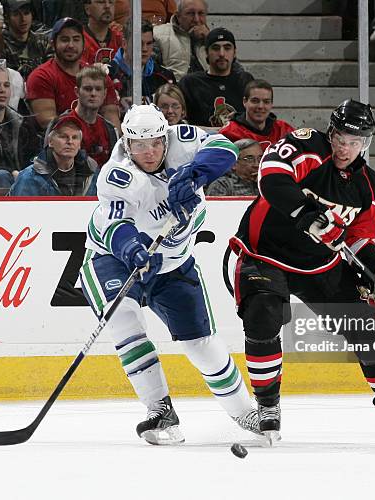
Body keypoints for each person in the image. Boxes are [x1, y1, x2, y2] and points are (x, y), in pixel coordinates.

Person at [228, 99, 375, 444]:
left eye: (354, 141)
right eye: (340, 138)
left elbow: (358, 241)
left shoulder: (369, 186)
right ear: (331, 132)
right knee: (263, 313)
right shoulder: (307, 145)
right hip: (265, 253)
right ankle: (268, 407)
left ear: (366, 143)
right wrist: (307, 215)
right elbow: (272, 180)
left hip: (320, 265)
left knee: (366, 328)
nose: (345, 148)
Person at [78, 104, 260, 444]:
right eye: (139, 145)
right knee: (125, 321)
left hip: (175, 261)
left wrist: (195, 174)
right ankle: (159, 409)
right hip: (114, 258)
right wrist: (132, 247)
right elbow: (116, 224)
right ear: (126, 143)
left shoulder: (184, 140)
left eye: (156, 142)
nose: (149, 152)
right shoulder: (116, 175)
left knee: (201, 344)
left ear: (166, 136)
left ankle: (244, 412)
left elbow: (226, 148)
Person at [26, 17, 121, 131]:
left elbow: (113, 122)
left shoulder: (98, 77)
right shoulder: (42, 76)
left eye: (76, 39)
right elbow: (48, 123)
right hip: (62, 144)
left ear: (84, 44)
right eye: (65, 39)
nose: (71, 45)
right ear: (52, 44)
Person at [179, 27, 254, 127]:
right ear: (206, 52)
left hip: (240, 140)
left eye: (227, 48)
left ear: (234, 52)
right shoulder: (190, 83)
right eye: (215, 48)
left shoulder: (245, 80)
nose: (222, 54)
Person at [10, 114, 98, 195]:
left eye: (75, 137)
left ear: (79, 144)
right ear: (50, 142)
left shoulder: (92, 173)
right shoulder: (30, 177)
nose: (70, 142)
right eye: (63, 136)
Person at [56, 64, 119, 167]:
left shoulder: (109, 129)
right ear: (77, 91)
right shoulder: (62, 124)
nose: (93, 94)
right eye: (88, 89)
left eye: (98, 89)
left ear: (105, 94)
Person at [111, 20, 176, 110]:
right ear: (124, 44)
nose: (144, 49)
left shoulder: (165, 77)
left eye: (149, 43)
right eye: (139, 43)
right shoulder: (108, 74)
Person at [219, 79, 294, 150]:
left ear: (271, 104)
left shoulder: (284, 129)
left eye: (266, 102)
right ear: (245, 101)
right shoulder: (229, 133)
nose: (260, 106)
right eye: (255, 101)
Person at [152, 0, 209, 81]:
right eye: (190, 13)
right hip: (173, 91)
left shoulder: (212, 40)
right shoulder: (159, 35)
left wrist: (210, 40)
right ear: (178, 16)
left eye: (201, 13)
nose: (196, 20)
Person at [2, 0, 52, 81]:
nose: (23, 19)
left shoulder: (43, 42)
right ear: (6, 18)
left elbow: (52, 72)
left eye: (26, 13)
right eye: (16, 14)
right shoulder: (1, 43)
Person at [81, 0, 124, 66]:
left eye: (111, 2)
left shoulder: (121, 39)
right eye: (101, 2)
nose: (107, 6)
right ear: (87, 9)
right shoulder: (78, 39)